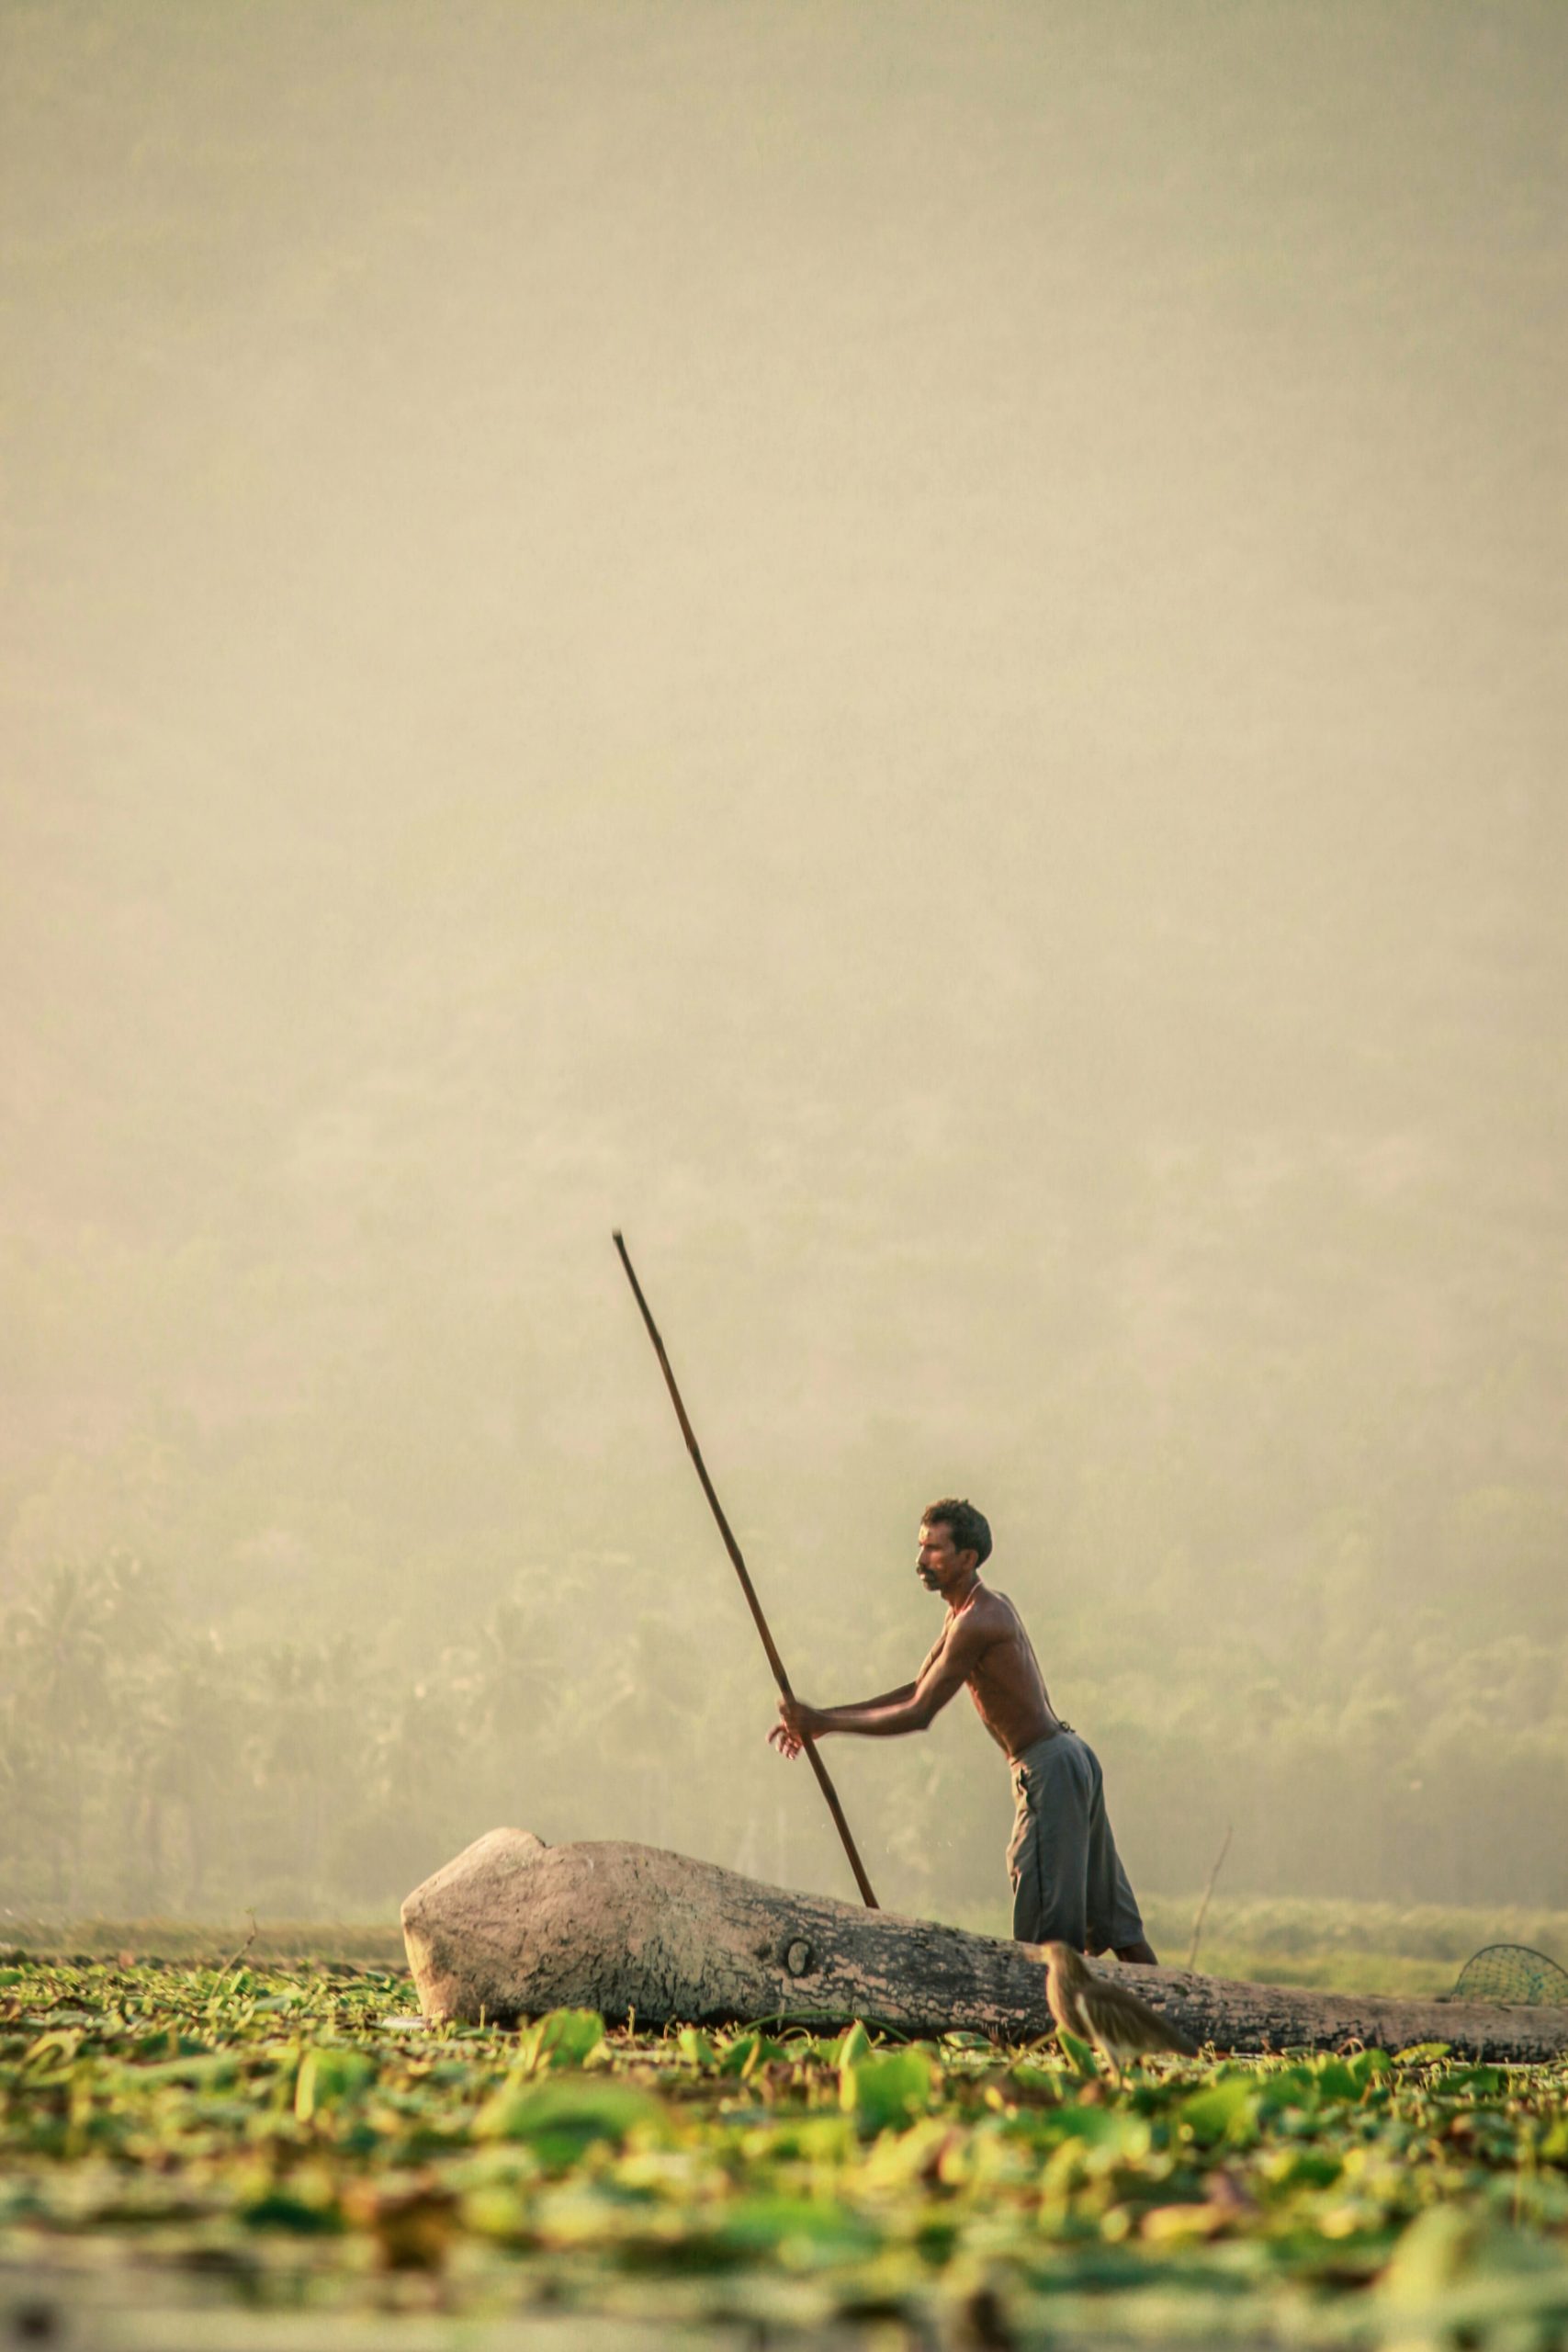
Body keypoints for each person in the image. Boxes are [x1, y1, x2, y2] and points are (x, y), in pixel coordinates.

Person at [768, 1498, 1157, 1962]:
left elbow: (920, 1712)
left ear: (967, 1559)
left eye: (934, 1549)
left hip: (1049, 1769)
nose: (920, 1560)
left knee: (1048, 1940)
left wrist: (823, 1722)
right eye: (920, 1546)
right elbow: (915, 1687)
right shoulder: (962, 1614)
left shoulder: (979, 1619)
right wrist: (822, 1722)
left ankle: (1126, 2024)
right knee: (1113, 1921)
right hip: (1069, 1760)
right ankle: (1177, 2028)